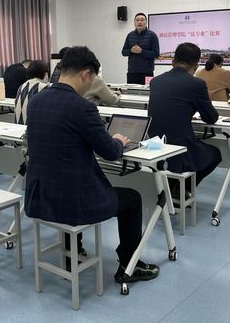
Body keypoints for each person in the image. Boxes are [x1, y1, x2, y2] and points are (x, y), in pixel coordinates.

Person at [25, 46, 159, 283]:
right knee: (133, 199)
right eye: (93, 79)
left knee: (66, 177)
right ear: (85, 74)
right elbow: (110, 153)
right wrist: (118, 141)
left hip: (41, 196)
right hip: (74, 202)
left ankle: (72, 252)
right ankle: (129, 265)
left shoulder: (36, 101)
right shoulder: (83, 107)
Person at [148, 42, 221, 191]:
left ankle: (175, 189)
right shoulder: (197, 84)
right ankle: (182, 191)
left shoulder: (156, 81)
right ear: (196, 65)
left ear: (173, 61)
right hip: (180, 148)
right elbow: (211, 118)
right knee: (216, 154)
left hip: (154, 145)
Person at [121, 12, 160, 84]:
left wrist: (142, 51)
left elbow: (156, 54)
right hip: (132, 72)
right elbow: (123, 52)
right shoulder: (130, 35)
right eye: (137, 20)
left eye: (142, 20)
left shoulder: (152, 35)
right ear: (134, 23)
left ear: (146, 22)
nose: (139, 22)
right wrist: (131, 51)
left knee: (146, 91)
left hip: (147, 73)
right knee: (131, 91)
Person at [14, 60, 49, 125]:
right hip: (32, 128)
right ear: (45, 73)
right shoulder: (44, 87)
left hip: (18, 126)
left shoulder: (21, 86)